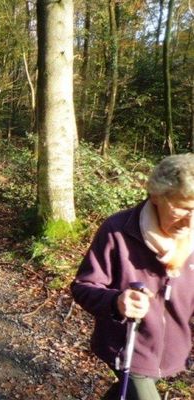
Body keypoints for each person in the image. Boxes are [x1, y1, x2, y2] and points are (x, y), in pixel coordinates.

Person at [71, 153, 194, 400]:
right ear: (156, 196)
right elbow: (83, 286)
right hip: (128, 347)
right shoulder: (118, 231)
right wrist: (116, 302)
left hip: (171, 351)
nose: (190, 220)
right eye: (182, 208)